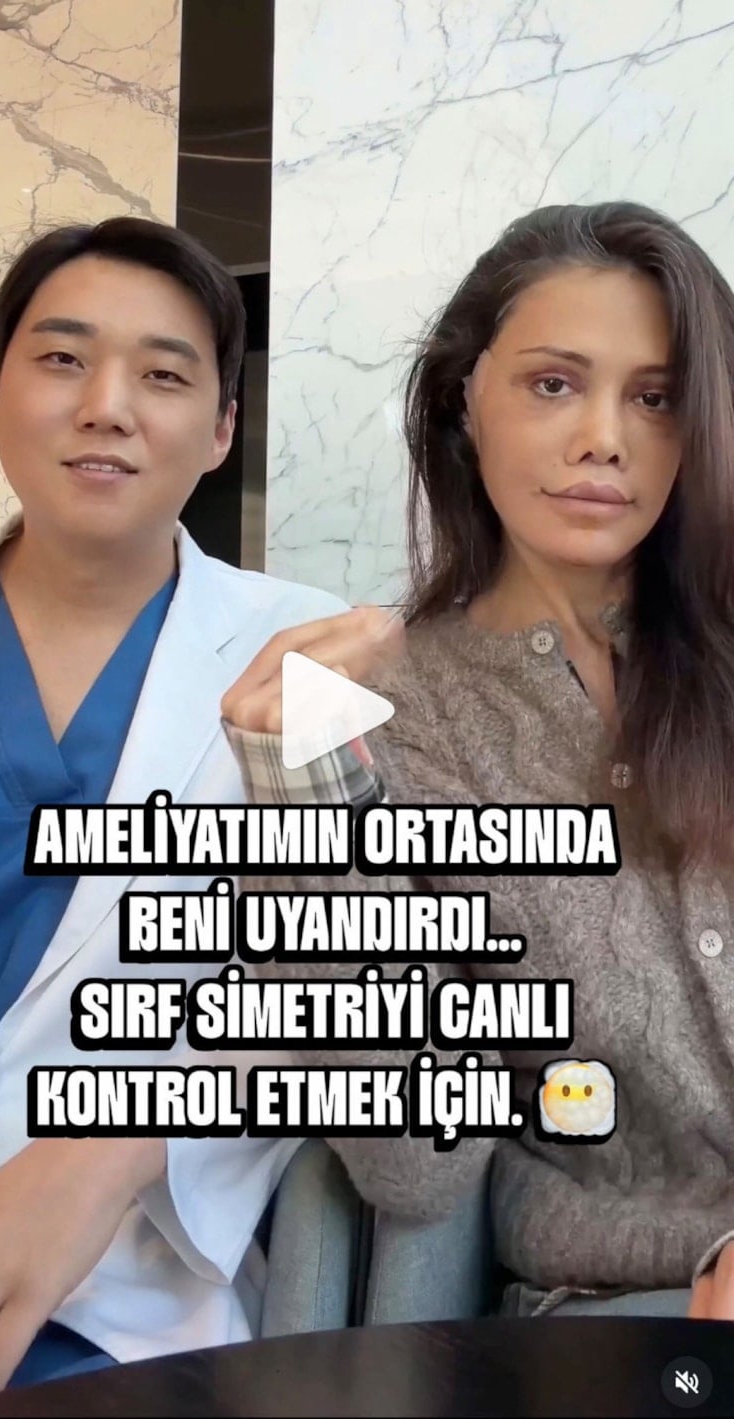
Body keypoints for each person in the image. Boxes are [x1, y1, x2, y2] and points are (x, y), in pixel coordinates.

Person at [222, 201, 734, 1323]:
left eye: (655, 398)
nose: (604, 437)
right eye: (553, 384)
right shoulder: (396, 717)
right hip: (625, 1310)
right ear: (464, 398)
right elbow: (417, 1168)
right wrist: (303, 812)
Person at [0, 215, 346, 1402]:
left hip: (124, 1294)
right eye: (63, 359)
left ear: (221, 430)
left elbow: (350, 979)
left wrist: (123, 1140)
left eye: (163, 376)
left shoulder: (311, 654)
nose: (107, 406)